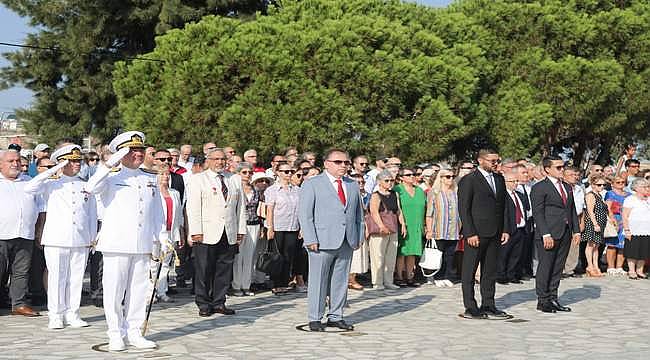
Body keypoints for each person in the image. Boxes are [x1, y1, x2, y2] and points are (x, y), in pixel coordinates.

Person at [85, 131, 168, 351]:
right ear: (121, 152)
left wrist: (163, 235)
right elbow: (90, 187)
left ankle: (134, 332)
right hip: (116, 243)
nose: (138, 154)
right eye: (132, 150)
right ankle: (115, 333)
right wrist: (112, 160)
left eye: (140, 150)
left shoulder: (149, 177)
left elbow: (157, 211)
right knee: (114, 291)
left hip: (142, 244)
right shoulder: (110, 176)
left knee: (139, 291)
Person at [24, 144, 97, 329]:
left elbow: (91, 213)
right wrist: (56, 168)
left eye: (78, 160)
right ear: (63, 162)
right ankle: (55, 315)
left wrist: (92, 237)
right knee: (57, 277)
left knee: (76, 277)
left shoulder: (85, 184)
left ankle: (73, 313)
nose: (77, 164)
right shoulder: (50, 183)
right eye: (72, 161)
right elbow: (30, 187)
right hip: (57, 238)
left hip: (81, 239)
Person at [298, 148, 364, 332]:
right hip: (321, 241)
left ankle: (336, 316)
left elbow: (358, 213)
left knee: (340, 280)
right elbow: (305, 214)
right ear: (326, 163)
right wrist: (310, 237)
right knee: (318, 281)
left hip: (346, 240)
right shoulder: (313, 184)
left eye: (346, 162)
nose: (343, 165)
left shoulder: (351, 184)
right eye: (338, 162)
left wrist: (359, 235)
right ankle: (315, 317)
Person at [186, 148, 246, 316]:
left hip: (229, 231)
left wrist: (241, 229)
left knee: (224, 268)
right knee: (204, 269)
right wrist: (195, 231)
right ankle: (203, 303)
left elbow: (240, 207)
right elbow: (193, 208)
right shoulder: (199, 179)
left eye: (222, 159)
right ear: (208, 160)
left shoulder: (234, 179)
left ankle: (219, 301)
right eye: (216, 159)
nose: (220, 162)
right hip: (206, 232)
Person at [457, 149, 510, 319]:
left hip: (495, 232)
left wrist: (505, 229)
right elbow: (464, 209)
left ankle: (488, 304)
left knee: (489, 271)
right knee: (469, 271)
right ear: (480, 160)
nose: (495, 163)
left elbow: (503, 206)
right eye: (491, 160)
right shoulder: (469, 181)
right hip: (476, 233)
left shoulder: (499, 179)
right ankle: (470, 306)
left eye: (497, 160)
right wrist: (470, 232)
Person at [531, 156, 581, 313]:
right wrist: (545, 234)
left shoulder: (566, 187)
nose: (562, 170)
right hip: (548, 234)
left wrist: (576, 230)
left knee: (558, 268)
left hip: (565, 232)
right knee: (546, 267)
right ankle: (543, 300)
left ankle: (553, 297)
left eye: (562, 167)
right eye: (558, 167)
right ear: (547, 169)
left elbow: (571, 210)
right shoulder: (540, 188)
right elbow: (538, 213)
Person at [0, 149, 41, 317]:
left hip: (25, 234)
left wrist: (39, 230)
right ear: (1, 164)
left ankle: (18, 303)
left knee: (21, 272)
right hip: (2, 234)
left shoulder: (29, 182)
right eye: (11, 161)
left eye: (17, 160)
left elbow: (40, 208)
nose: (16, 164)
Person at [265, 163, 301, 295]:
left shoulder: (297, 190)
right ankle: (275, 283)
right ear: (278, 172)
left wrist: (301, 227)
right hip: (278, 226)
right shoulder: (272, 190)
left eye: (291, 171)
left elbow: (300, 210)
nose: (289, 174)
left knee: (288, 256)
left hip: (293, 226)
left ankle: (284, 282)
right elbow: (270, 210)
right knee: (277, 256)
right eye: (285, 172)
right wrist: (270, 227)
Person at [150, 166, 183, 303]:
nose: (165, 177)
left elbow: (179, 214)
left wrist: (180, 232)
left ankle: (162, 291)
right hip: (155, 233)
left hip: (171, 231)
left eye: (167, 174)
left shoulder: (174, 193)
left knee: (166, 263)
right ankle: (151, 292)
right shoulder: (153, 192)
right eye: (162, 174)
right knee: (153, 264)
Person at [367, 170, 403, 290]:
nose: (389, 183)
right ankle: (377, 282)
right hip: (380, 228)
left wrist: (402, 224)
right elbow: (374, 212)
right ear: (379, 182)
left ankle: (388, 281)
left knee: (391, 256)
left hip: (393, 226)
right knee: (378, 256)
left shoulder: (394, 194)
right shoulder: (376, 195)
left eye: (391, 180)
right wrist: (381, 226)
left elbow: (398, 210)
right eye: (386, 180)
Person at [425, 168, 460, 287]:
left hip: (453, 229)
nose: (450, 179)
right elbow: (429, 213)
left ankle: (447, 276)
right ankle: (437, 276)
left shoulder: (456, 192)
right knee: (438, 254)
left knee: (450, 254)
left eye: (452, 177)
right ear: (441, 178)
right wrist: (429, 230)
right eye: (447, 177)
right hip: (439, 228)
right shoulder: (434, 193)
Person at [231, 163, 261, 296]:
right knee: (238, 256)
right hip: (239, 225)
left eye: (250, 172)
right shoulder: (235, 189)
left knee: (250, 256)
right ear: (238, 174)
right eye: (244, 172)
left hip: (254, 224)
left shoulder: (255, 189)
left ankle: (246, 285)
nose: (247, 175)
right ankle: (236, 285)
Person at [394, 167, 426, 287]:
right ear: (401, 178)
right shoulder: (397, 189)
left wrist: (425, 225)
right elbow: (397, 208)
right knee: (402, 252)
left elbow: (425, 208)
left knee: (412, 252)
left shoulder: (419, 191)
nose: (412, 176)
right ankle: (399, 276)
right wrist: (402, 223)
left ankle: (409, 276)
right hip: (404, 224)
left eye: (414, 174)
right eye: (408, 175)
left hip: (417, 224)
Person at [496, 171, 527, 285]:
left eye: (516, 181)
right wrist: (504, 230)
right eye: (512, 181)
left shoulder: (519, 195)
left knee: (516, 254)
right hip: (508, 229)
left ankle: (511, 274)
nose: (515, 183)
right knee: (504, 253)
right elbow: (503, 214)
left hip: (521, 228)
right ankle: (501, 275)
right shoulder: (503, 195)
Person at [581, 174, 609, 277]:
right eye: (599, 185)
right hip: (593, 223)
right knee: (590, 245)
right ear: (592, 185)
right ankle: (590, 266)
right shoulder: (590, 195)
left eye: (603, 185)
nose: (601, 187)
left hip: (600, 223)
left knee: (597, 246)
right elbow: (590, 211)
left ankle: (596, 266)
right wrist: (595, 224)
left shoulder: (599, 195)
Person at [622, 179, 650, 279]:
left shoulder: (648, 199)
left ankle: (640, 270)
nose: (647, 189)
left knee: (644, 250)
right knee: (632, 251)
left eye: (648, 186)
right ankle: (631, 270)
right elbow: (625, 216)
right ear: (637, 188)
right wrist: (627, 230)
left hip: (646, 229)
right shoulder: (630, 199)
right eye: (645, 187)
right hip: (634, 229)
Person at [604, 175, 632, 275]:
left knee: (623, 245)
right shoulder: (610, 193)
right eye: (618, 182)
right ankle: (610, 267)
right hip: (615, 219)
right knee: (612, 244)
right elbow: (608, 208)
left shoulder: (629, 195)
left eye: (622, 182)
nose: (621, 184)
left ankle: (619, 267)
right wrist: (612, 219)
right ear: (613, 184)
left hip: (625, 220)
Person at [349, 173, 370, 290]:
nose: (360, 185)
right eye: (358, 182)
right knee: (353, 255)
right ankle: (350, 279)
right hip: (352, 228)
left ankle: (353, 278)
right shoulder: (351, 195)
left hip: (361, 226)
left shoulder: (364, 196)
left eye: (362, 182)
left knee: (359, 255)